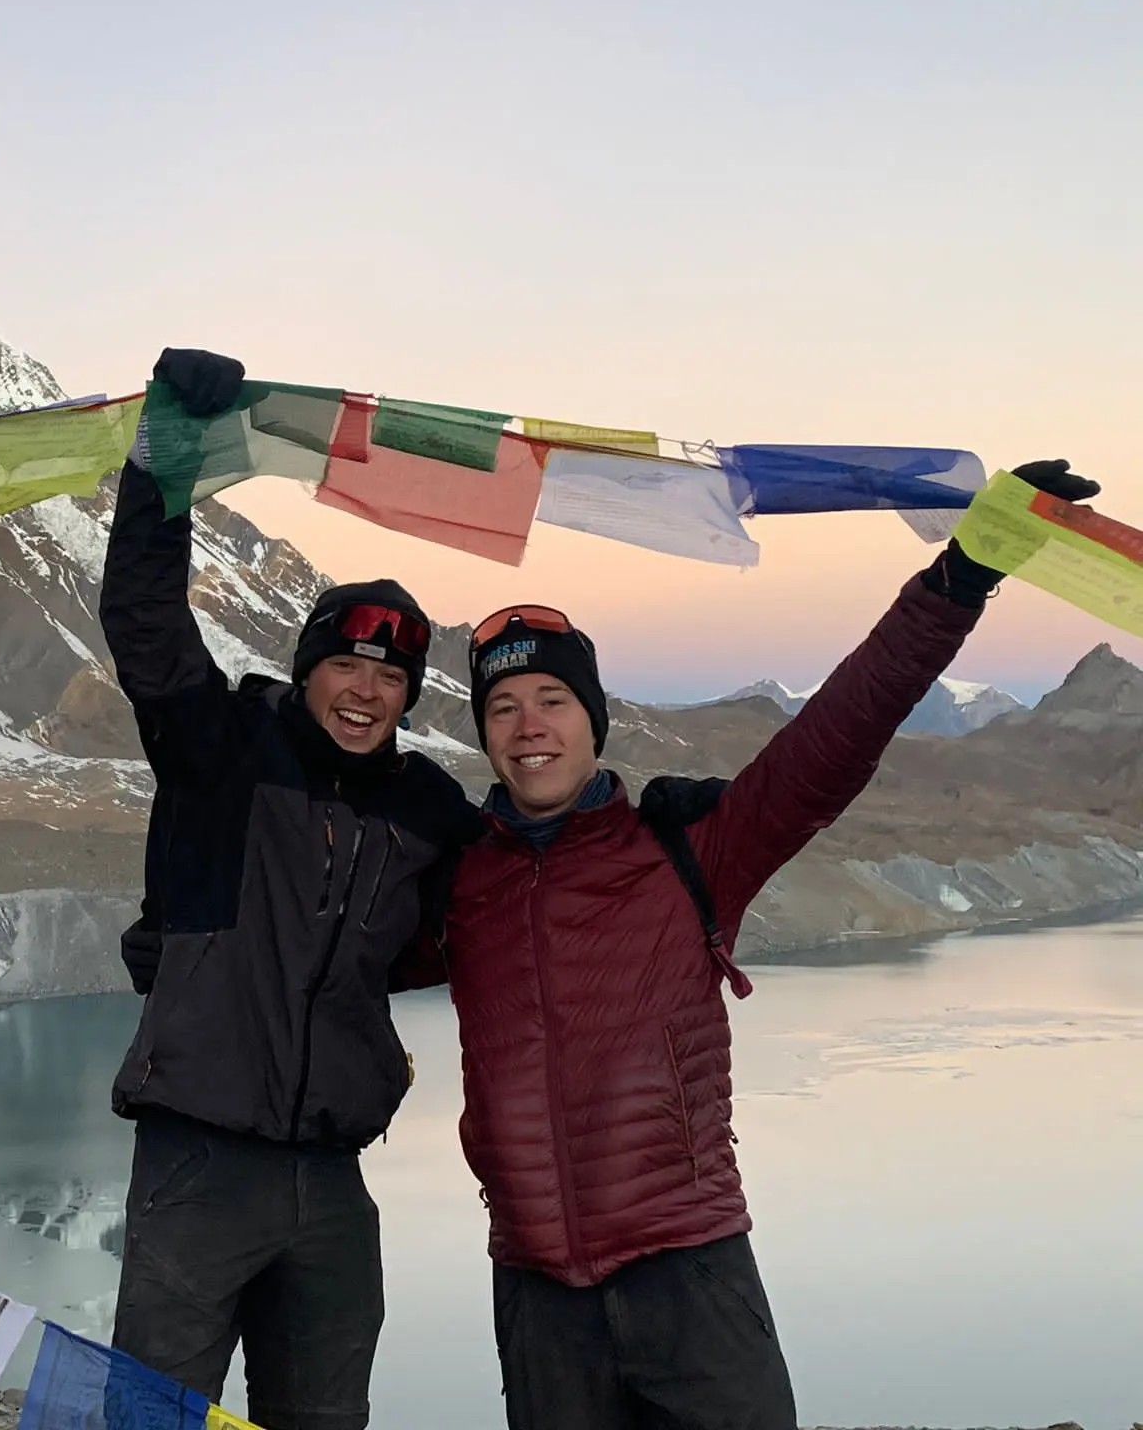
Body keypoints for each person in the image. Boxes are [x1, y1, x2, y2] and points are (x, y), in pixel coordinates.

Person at [404, 459, 1101, 1430]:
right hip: (534, 1298)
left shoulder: (689, 851)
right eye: (502, 707)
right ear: (482, 731)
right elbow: (318, 954)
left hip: (689, 1275)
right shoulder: (457, 881)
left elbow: (837, 732)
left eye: (551, 701)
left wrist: (965, 570)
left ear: (591, 721)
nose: (528, 726)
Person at [100, 347, 480, 1430]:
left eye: (392, 674)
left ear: (408, 694)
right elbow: (144, 623)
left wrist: (643, 818)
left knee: (324, 1419)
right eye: (347, 664)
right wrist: (165, 453)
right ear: (309, 666)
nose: (366, 690)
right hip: (196, 1165)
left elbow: (499, 902)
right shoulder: (221, 748)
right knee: (151, 1416)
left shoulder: (423, 808)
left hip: (329, 1181)